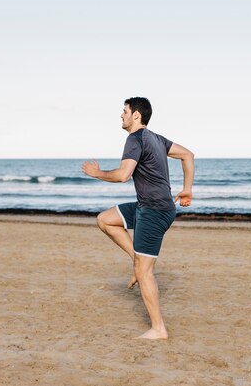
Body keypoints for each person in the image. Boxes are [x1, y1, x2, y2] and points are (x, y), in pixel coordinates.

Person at [81, 97, 194, 340]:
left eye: (124, 111)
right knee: (105, 219)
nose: (121, 115)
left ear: (136, 115)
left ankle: (158, 329)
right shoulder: (157, 138)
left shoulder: (135, 138)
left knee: (144, 272)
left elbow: (123, 175)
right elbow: (188, 155)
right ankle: (135, 258)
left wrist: (97, 173)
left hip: (154, 211)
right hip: (148, 206)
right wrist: (187, 189)